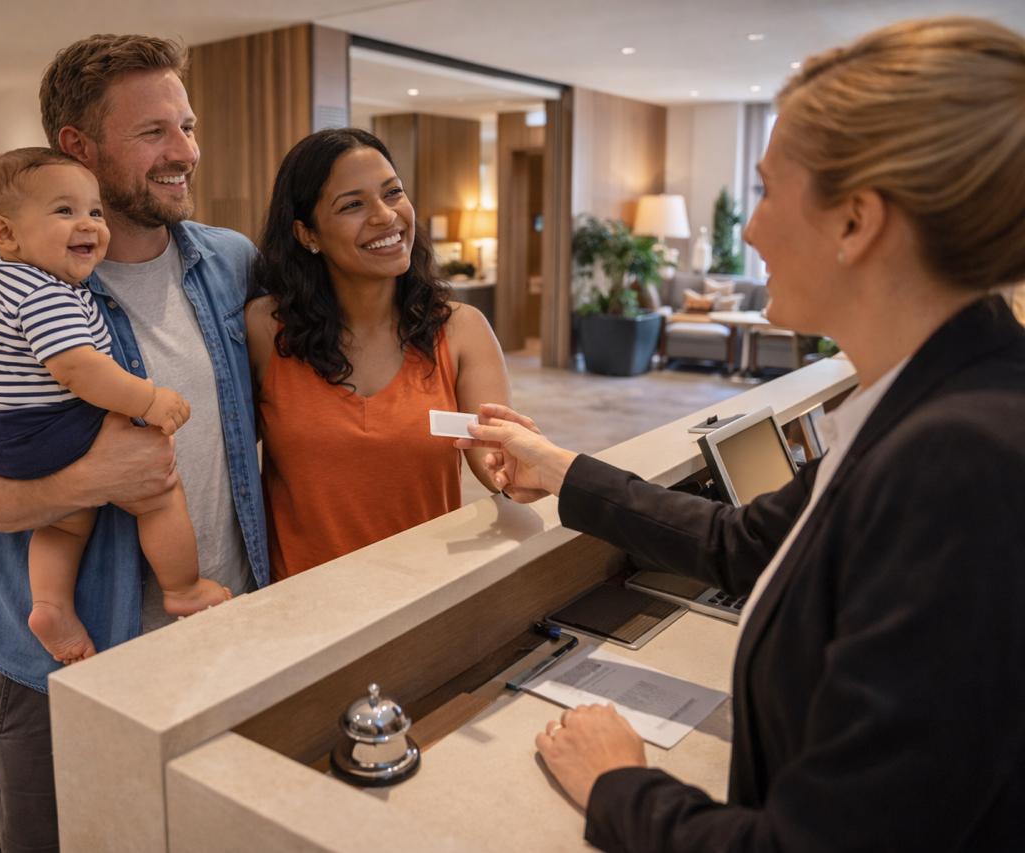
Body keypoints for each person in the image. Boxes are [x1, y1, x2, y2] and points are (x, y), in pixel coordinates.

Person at [458, 17, 1025, 851]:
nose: (750, 230)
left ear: (855, 222)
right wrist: (564, 468)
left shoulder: (960, 463)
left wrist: (623, 784)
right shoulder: (940, 393)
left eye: (764, 190)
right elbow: (748, 538)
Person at [0, 35, 268, 852]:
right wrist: (84, 480)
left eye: (187, 124)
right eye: (153, 133)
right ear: (79, 148)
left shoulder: (231, 261)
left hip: (224, 621)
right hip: (65, 659)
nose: (186, 152)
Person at [0, 147, 231, 665]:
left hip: (5, 431)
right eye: (64, 211)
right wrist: (149, 398)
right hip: (47, 425)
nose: (88, 224)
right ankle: (182, 587)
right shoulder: (47, 293)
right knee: (155, 486)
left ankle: (51, 605)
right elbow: (79, 369)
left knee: (65, 521)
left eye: (94, 211)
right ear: (5, 234)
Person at [246, 128, 510, 579]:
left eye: (393, 193)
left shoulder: (462, 330)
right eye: (353, 204)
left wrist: (520, 467)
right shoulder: (266, 329)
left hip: (424, 598)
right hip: (299, 608)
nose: (386, 216)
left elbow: (496, 467)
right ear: (307, 233)